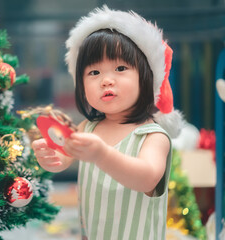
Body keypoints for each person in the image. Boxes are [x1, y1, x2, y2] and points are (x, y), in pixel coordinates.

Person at [32, 5, 183, 240]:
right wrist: (49, 158)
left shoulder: (152, 136)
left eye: (120, 68)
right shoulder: (88, 127)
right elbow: (62, 160)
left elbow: (146, 177)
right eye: (94, 73)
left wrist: (102, 155)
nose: (106, 81)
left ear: (146, 78)